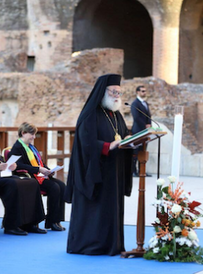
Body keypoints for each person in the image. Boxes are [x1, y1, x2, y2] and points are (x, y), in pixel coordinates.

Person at [65, 74, 133, 256]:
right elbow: (84, 142)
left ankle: (112, 244)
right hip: (95, 171)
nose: (117, 95)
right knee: (96, 209)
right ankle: (91, 245)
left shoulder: (117, 115)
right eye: (113, 91)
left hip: (114, 170)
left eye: (119, 92)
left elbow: (123, 135)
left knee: (111, 208)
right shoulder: (90, 114)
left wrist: (128, 140)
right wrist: (106, 146)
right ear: (102, 92)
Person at [9, 122, 66, 231]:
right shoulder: (17, 147)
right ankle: (52, 221)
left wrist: (48, 170)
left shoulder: (31, 147)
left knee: (62, 186)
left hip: (39, 175)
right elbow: (19, 165)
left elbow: (40, 163)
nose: (34, 137)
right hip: (30, 177)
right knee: (54, 187)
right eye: (32, 134)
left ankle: (56, 220)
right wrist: (39, 169)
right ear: (23, 133)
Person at [131, 85, 152, 177]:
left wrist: (149, 124)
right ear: (138, 92)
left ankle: (142, 170)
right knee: (136, 152)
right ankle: (133, 171)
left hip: (145, 131)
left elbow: (148, 116)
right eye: (142, 91)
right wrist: (145, 125)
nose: (144, 93)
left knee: (143, 151)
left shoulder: (145, 103)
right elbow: (136, 117)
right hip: (138, 130)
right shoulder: (135, 103)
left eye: (145, 91)